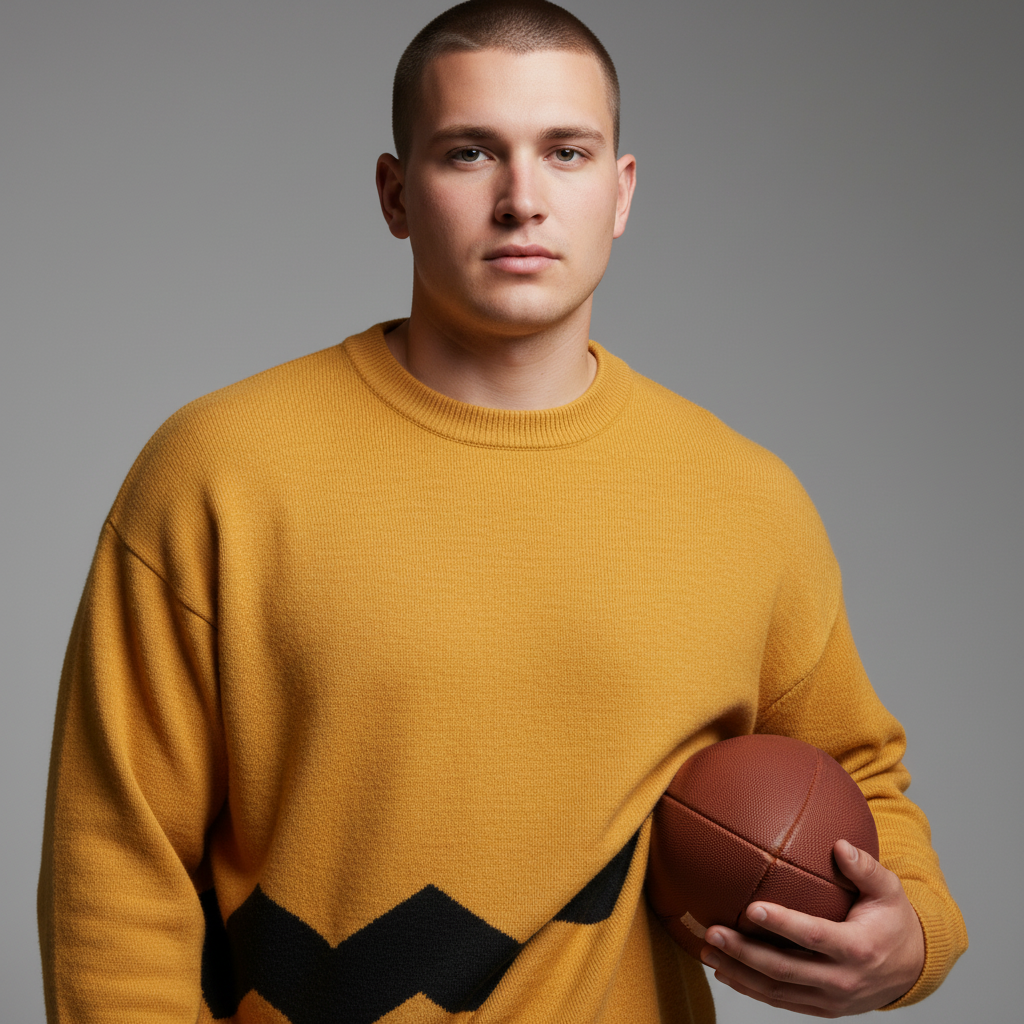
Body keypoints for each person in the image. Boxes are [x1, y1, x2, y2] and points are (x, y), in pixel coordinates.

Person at [38, 1, 967, 1021]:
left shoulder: (746, 499)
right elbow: (116, 862)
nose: (521, 200)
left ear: (620, 193)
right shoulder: (217, 469)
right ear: (396, 194)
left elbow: (859, 774)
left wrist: (910, 933)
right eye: (470, 152)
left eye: (565, 153)